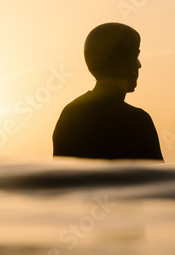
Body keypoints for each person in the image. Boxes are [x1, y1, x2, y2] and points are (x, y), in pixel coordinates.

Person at [53, 23, 164, 161]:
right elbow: (157, 179)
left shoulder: (69, 114)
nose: (139, 65)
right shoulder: (137, 121)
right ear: (126, 62)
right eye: (135, 57)